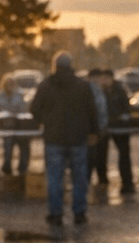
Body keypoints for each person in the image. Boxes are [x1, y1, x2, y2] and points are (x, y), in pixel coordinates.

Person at [30, 51, 99, 226]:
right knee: (79, 178)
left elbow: (34, 109)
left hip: (54, 138)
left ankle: (55, 214)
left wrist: (44, 121)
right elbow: (92, 110)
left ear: (55, 65)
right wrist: (94, 132)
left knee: (54, 178)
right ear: (71, 65)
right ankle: (79, 213)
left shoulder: (46, 85)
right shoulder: (82, 85)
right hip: (78, 138)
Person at [97, 68, 138, 195]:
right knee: (101, 155)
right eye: (102, 78)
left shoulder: (120, 91)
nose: (104, 81)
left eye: (106, 78)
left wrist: (122, 117)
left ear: (112, 78)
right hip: (104, 128)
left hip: (120, 128)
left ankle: (127, 183)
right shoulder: (99, 92)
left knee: (124, 155)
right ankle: (102, 181)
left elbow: (126, 108)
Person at [0, 72, 31, 175]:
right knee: (8, 144)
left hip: (19, 125)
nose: (10, 86)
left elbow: (23, 109)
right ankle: (7, 166)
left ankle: (22, 166)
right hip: (5, 125)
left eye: (12, 83)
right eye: (8, 83)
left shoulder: (19, 94)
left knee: (23, 144)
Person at [85, 68, 110, 188]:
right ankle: (98, 181)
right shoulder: (94, 90)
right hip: (95, 130)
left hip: (93, 129)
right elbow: (100, 110)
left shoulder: (97, 89)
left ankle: (94, 181)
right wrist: (100, 127)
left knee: (93, 157)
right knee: (94, 157)